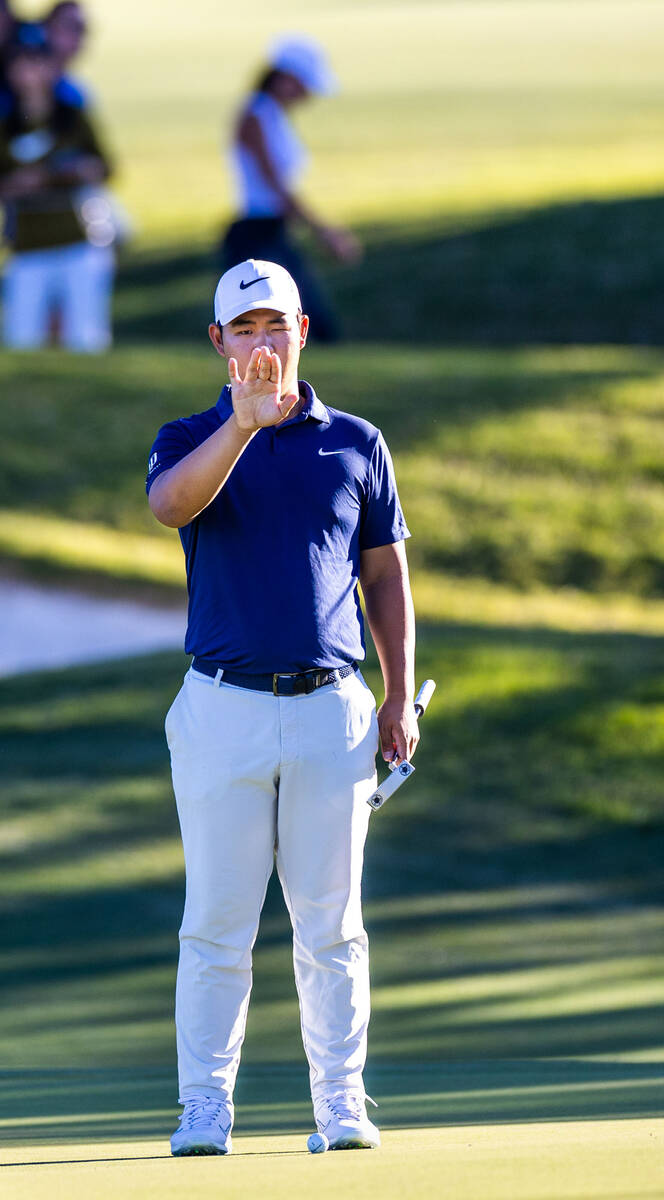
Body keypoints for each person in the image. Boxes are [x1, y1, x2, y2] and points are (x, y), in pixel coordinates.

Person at [146, 258, 418, 1156]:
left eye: (278, 326)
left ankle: (341, 1104)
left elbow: (384, 575)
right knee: (217, 923)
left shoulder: (356, 442)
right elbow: (168, 506)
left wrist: (394, 694)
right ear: (219, 342)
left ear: (302, 333)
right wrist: (241, 427)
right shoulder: (189, 434)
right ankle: (205, 1107)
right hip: (221, 707)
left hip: (328, 708)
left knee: (332, 926)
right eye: (245, 328)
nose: (263, 343)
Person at [222, 36, 361, 343]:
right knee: (290, 325)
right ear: (284, 78)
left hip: (272, 230)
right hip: (256, 233)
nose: (308, 94)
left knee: (307, 323)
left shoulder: (271, 115)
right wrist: (323, 231)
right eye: (304, 84)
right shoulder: (256, 115)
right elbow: (275, 186)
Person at [0, 28, 114, 350]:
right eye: (22, 63)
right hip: (26, 243)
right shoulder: (7, 125)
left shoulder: (73, 118)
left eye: (39, 62)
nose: (31, 72)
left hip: (77, 238)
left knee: (86, 338)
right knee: (22, 338)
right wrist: (18, 184)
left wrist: (68, 173)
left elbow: (105, 166)